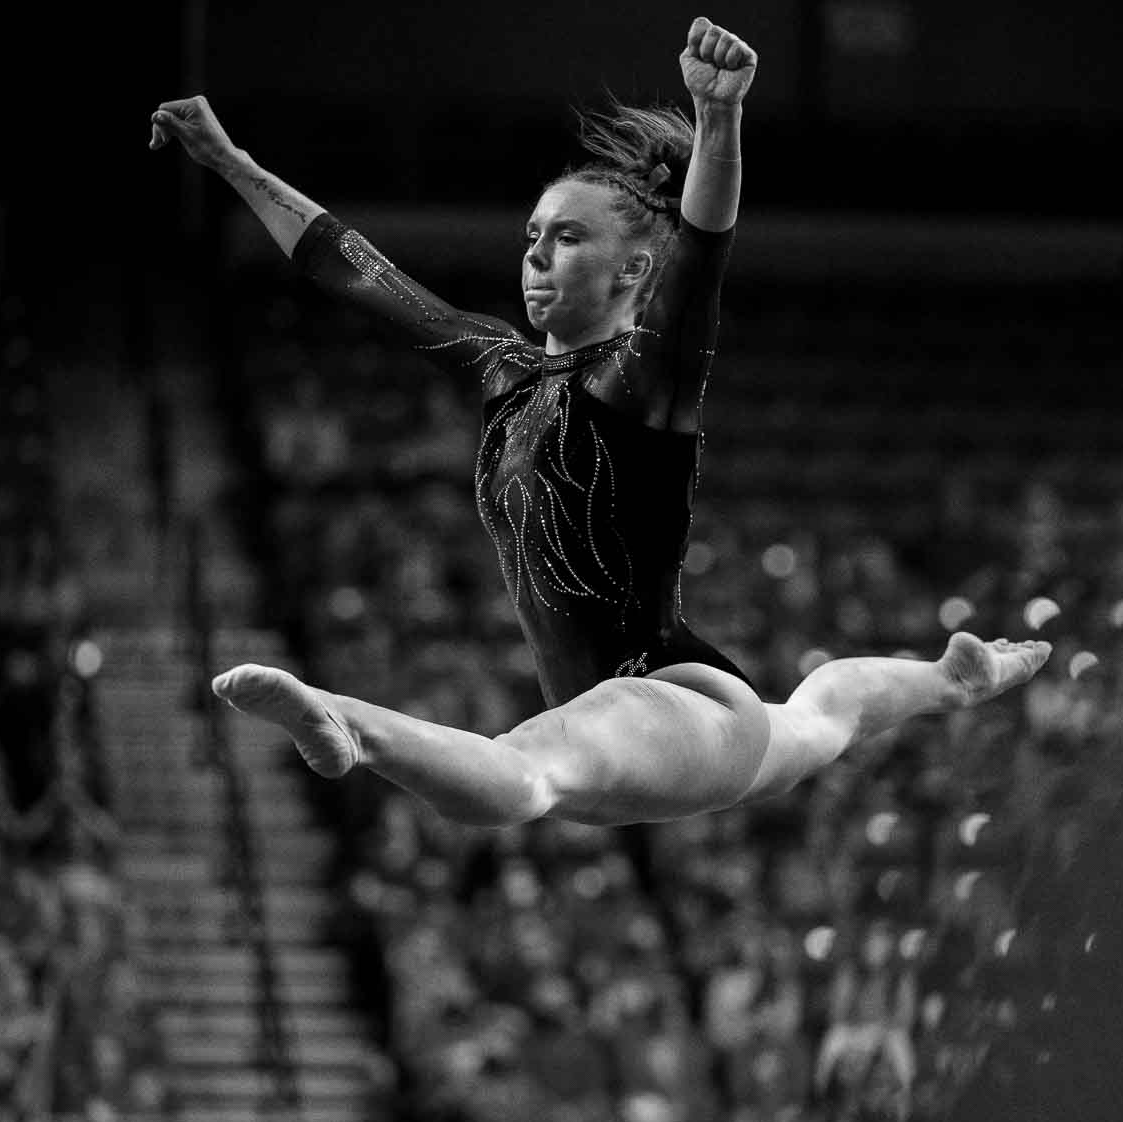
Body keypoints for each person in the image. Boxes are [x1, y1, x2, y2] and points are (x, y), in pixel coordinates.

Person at [149, 17, 1050, 830]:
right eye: (532, 234)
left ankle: (351, 722)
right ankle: (951, 680)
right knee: (825, 713)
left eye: (568, 238)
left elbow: (703, 253)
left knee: (519, 778)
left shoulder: (642, 377)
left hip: (669, 699)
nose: (536, 252)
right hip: (646, 739)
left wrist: (720, 121)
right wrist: (231, 162)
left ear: (632, 273)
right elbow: (355, 270)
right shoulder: (501, 366)